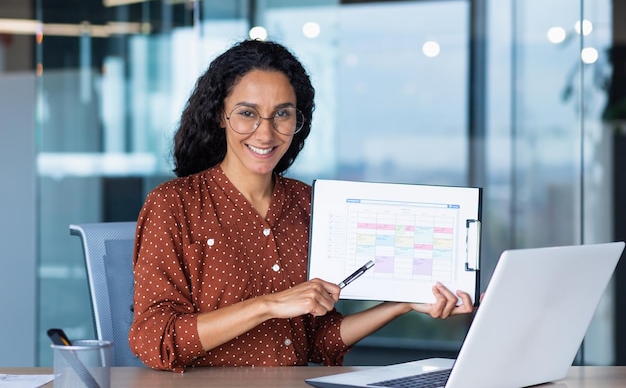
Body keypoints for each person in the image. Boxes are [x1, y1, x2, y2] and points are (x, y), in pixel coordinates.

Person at [128, 39, 474, 373]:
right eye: (248, 113)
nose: (265, 134)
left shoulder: (307, 204)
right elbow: (154, 341)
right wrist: (268, 305)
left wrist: (402, 302)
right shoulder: (173, 204)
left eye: (282, 114)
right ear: (221, 115)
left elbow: (318, 341)